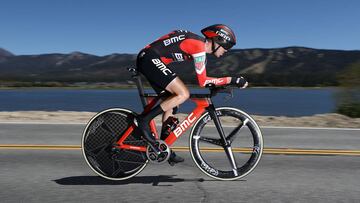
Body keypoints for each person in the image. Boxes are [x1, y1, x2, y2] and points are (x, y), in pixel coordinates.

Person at [136, 24, 248, 165]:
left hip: (150, 58)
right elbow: (203, 81)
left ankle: (163, 148)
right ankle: (144, 120)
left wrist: (219, 84)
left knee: (172, 104)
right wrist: (233, 80)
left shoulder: (199, 46)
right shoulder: (198, 46)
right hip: (150, 58)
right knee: (183, 94)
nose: (226, 51)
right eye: (226, 47)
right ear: (218, 40)